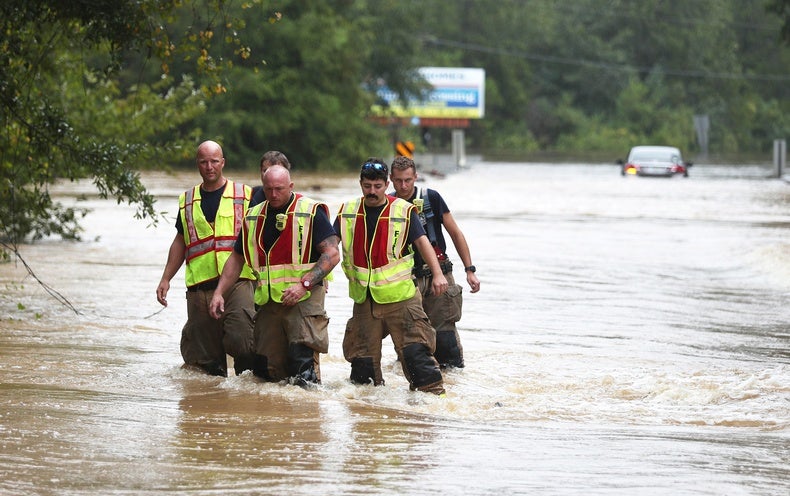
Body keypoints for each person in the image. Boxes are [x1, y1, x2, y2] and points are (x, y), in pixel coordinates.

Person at [209, 165, 339, 386]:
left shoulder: (310, 211)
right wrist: (219, 292)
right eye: (268, 189)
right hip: (269, 304)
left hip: (303, 301)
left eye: (279, 189)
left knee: (302, 371)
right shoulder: (253, 216)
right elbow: (236, 258)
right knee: (266, 372)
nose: (273, 194)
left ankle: (307, 418)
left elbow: (333, 254)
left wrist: (304, 284)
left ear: (291, 186)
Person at [334, 158, 448, 395]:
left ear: (386, 184)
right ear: (360, 184)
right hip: (365, 301)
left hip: (402, 299)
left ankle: (431, 410)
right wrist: (320, 276)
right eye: (367, 186)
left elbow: (423, 242)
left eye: (377, 186)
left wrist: (438, 274)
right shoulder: (347, 212)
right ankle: (369, 416)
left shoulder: (403, 210)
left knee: (417, 357)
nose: (372, 191)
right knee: (362, 373)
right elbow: (330, 247)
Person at [156, 140, 256, 377]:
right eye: (204, 162)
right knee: (205, 364)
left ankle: (248, 397)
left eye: (214, 161)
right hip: (200, 286)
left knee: (243, 341)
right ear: (197, 165)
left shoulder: (246, 195)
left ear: (223, 162)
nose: (209, 166)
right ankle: (212, 406)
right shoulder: (187, 200)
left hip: (238, 282)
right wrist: (166, 278)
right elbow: (180, 241)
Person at [388, 156, 480, 369]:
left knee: (445, 342)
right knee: (410, 341)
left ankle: (454, 388)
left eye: (408, 180)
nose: (403, 186)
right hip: (405, 279)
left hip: (439, 275)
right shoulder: (387, 204)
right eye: (399, 180)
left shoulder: (431, 198)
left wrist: (470, 270)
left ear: (416, 177)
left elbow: (455, 233)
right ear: (391, 179)